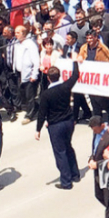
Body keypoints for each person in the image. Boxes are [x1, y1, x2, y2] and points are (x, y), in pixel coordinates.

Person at [35, 58, 82, 190]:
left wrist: (38, 129)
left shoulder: (46, 94)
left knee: (60, 152)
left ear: (48, 78)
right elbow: (75, 75)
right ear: (59, 76)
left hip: (55, 125)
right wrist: (75, 61)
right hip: (68, 122)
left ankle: (66, 181)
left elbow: (42, 113)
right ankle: (75, 174)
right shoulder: (66, 86)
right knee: (68, 147)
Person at [14, 25, 40, 124]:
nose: (15, 34)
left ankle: (30, 114)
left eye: (18, 32)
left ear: (23, 34)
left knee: (30, 96)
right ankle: (35, 107)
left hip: (29, 75)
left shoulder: (30, 44)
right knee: (22, 94)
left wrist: (34, 74)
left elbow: (36, 60)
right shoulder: (17, 43)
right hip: (20, 73)